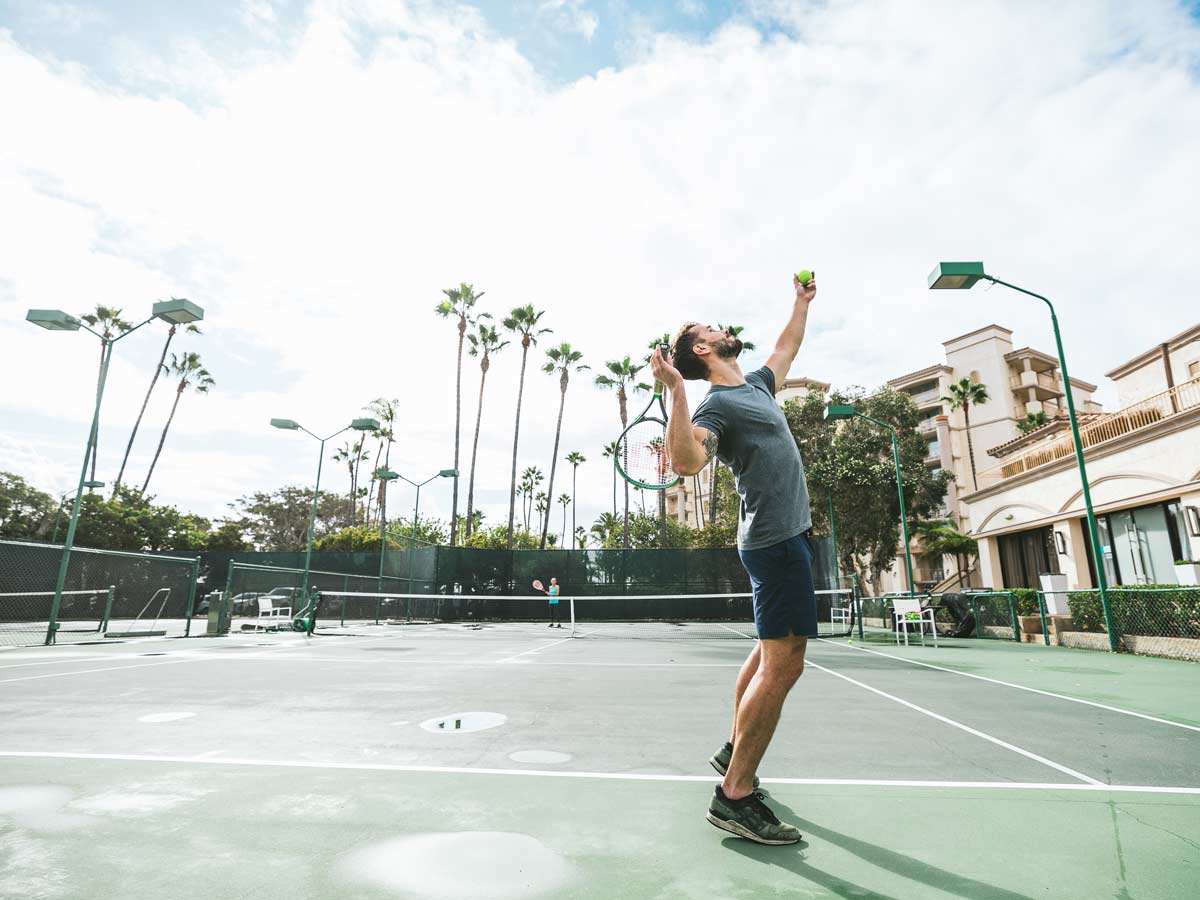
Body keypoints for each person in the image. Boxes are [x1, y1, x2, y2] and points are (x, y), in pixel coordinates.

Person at [652, 273, 817, 846]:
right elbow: (687, 463)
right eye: (712, 329)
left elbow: (785, 346)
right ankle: (735, 797)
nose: (724, 329)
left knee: (773, 652)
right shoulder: (718, 404)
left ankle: (731, 752)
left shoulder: (758, 388)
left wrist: (799, 303)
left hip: (786, 537)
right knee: (784, 664)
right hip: (774, 541)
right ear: (702, 350)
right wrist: (674, 390)